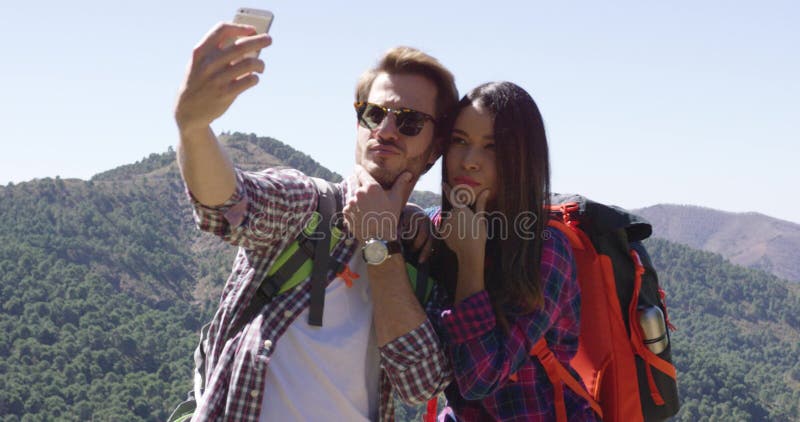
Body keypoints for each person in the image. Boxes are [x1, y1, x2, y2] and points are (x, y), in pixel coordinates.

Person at [174, 22, 457, 421]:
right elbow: (229, 206)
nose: (386, 130)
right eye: (374, 114)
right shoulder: (309, 205)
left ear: (434, 150)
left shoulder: (423, 253)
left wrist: (380, 245)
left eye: (409, 121)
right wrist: (194, 128)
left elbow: (422, 382)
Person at [426, 82, 600, 421]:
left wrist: (471, 262)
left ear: (523, 160)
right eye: (460, 141)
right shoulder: (435, 228)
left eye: (492, 147)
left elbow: (480, 378)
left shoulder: (546, 250)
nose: (469, 161)